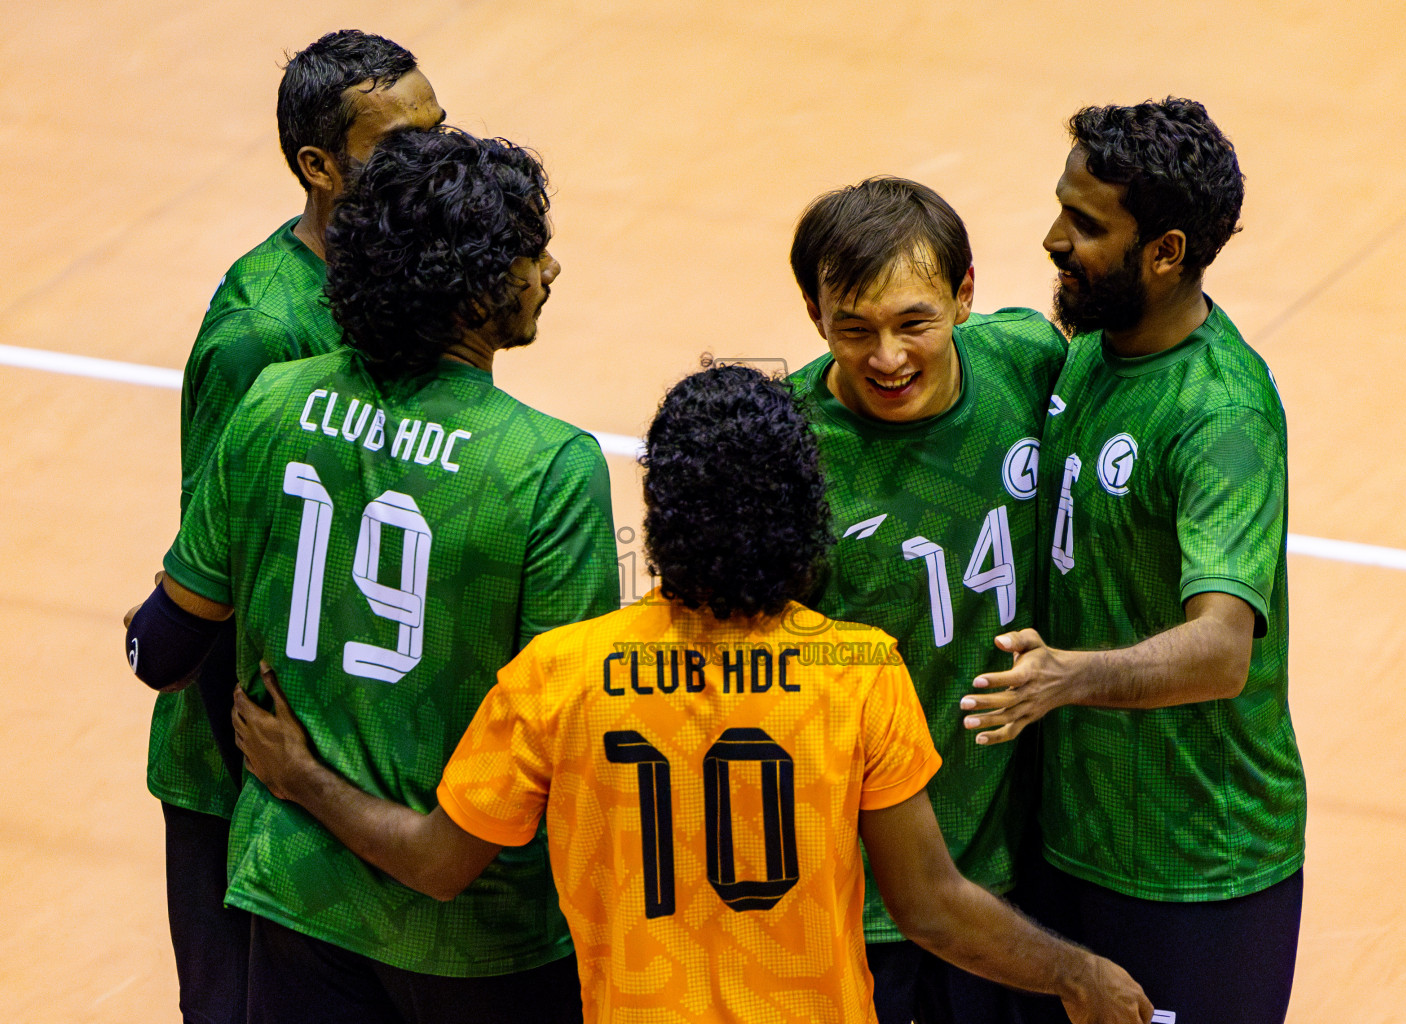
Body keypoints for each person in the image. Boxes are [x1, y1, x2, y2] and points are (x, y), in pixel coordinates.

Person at [228, 364, 1153, 1024]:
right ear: (803, 512)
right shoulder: (858, 670)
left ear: (659, 515)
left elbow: (438, 862)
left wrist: (305, 779)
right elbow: (933, 906)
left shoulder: (563, 672)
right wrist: (1075, 976)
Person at [126, 126, 617, 1023]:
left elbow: (166, 642)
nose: (549, 271)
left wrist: (302, 775)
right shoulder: (548, 466)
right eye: (528, 254)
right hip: (477, 937)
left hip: (296, 898)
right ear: (471, 290)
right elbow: (565, 748)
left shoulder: (274, 401)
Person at [965, 98, 1305, 1024]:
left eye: (1085, 226)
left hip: (1199, 867)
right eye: (1060, 210)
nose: (1052, 240)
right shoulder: (1089, 354)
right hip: (1070, 840)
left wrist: (1068, 678)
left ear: (1165, 251)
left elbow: (1222, 649)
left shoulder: (1221, 416)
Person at [146, 29, 444, 1024]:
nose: (432, 159)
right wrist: (280, 767)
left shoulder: (414, 273)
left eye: (438, 130)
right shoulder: (261, 334)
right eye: (398, 144)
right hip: (248, 764)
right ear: (320, 167)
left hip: (345, 745)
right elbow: (220, 567)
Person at [783, 177, 1067, 1024]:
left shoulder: (1025, 360)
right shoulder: (789, 451)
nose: (888, 358)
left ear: (966, 294)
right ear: (812, 312)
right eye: (854, 329)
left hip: (1020, 875)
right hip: (864, 902)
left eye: (916, 322)